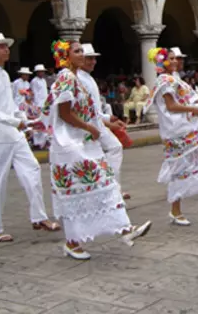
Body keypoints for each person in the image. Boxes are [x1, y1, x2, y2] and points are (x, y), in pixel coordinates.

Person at [42, 40, 151, 260]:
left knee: (104, 184)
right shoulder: (65, 78)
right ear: (66, 56)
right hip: (70, 145)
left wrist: (104, 124)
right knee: (80, 192)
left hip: (84, 142)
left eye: (83, 51)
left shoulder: (79, 80)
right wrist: (89, 127)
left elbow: (88, 112)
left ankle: (124, 230)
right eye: (77, 51)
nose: (82, 55)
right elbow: (64, 113)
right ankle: (75, 243)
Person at [0, 33, 60, 242]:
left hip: (12, 133)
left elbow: (8, 106)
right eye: (0, 47)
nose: (6, 50)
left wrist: (25, 120)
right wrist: (14, 122)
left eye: (6, 46)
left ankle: (39, 217)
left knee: (32, 169)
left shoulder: (2, 75)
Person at [143, 47, 198, 226]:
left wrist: (197, 101)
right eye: (171, 59)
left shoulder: (174, 78)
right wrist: (193, 108)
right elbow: (171, 106)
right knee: (181, 166)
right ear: (162, 61)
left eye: (176, 58)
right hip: (177, 129)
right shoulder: (164, 81)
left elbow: (183, 100)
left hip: (187, 125)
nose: (175, 61)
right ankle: (176, 210)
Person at [78, 44, 131, 201]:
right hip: (88, 126)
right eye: (89, 58)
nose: (93, 62)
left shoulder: (88, 78)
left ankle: (111, 187)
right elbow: (86, 111)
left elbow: (95, 109)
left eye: (94, 58)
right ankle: (108, 187)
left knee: (112, 149)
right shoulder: (79, 79)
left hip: (96, 123)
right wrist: (107, 123)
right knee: (109, 151)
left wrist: (110, 119)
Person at [30, 64, 49, 148]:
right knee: (37, 124)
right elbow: (34, 94)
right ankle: (36, 142)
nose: (42, 73)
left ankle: (42, 142)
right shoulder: (34, 81)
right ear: (37, 72)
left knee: (44, 124)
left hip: (44, 104)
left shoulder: (44, 81)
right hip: (38, 105)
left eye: (43, 72)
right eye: (40, 72)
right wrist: (37, 106)